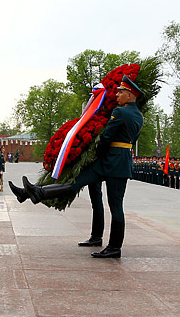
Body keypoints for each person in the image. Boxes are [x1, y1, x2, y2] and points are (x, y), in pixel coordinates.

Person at [9, 75, 144, 258]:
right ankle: (35, 193)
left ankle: (114, 247)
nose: (117, 94)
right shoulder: (139, 116)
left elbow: (106, 138)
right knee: (79, 183)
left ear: (130, 95)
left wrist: (92, 152)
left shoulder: (120, 112)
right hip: (118, 161)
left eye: (121, 92)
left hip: (111, 161)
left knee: (113, 205)